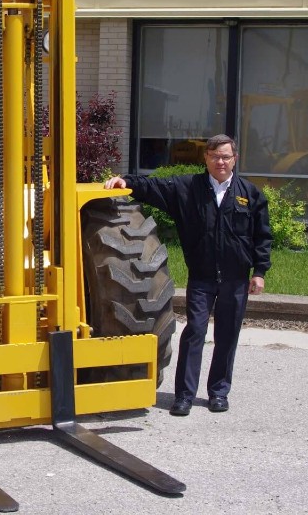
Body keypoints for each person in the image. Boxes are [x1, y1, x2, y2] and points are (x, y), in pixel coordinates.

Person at [104, 134, 272, 416]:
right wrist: (127, 182)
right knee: (195, 332)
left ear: (235, 159)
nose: (221, 161)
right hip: (202, 277)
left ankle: (219, 393)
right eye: (215, 156)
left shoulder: (250, 195)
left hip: (235, 279)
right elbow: (153, 186)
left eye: (226, 157)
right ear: (206, 158)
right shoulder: (187, 188)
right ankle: (184, 395)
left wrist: (260, 272)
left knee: (227, 335)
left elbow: (262, 237)